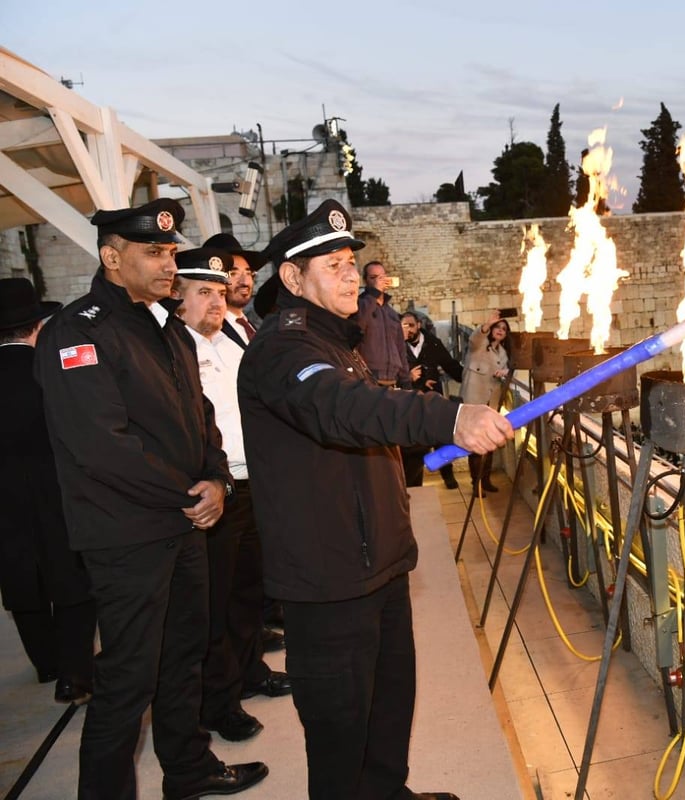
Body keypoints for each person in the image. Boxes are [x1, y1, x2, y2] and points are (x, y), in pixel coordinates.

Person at [237, 199, 513, 800]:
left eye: (350, 263)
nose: (349, 275)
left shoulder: (339, 340)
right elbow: (345, 410)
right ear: (291, 277)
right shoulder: (285, 351)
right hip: (329, 577)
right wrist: (450, 416)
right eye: (332, 264)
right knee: (340, 732)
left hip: (379, 564)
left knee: (388, 708)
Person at [34, 199, 266, 800]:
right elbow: (101, 446)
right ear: (112, 258)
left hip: (187, 521)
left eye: (170, 252)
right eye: (153, 253)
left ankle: (186, 772)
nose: (169, 264)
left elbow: (203, 419)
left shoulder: (168, 328)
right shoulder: (76, 331)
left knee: (185, 658)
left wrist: (218, 479)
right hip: (127, 534)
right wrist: (191, 493)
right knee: (128, 680)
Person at [169, 249, 292, 744]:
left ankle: (247, 673)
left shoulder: (229, 344)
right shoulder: (174, 349)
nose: (216, 303)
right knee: (214, 607)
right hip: (215, 493)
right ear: (178, 297)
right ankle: (218, 703)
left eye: (220, 293)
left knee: (247, 596)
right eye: (204, 293)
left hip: (251, 484)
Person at [0, 278, 95, 704]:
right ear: (37, 326)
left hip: (5, 504)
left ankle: (46, 662)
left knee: (19, 579)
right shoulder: (47, 372)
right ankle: (75, 673)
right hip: (56, 493)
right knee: (71, 579)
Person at [401, 310, 464, 489]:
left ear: (419, 325)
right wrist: (411, 378)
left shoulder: (432, 344)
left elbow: (450, 364)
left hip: (433, 399)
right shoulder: (397, 346)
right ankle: (412, 483)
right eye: (404, 326)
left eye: (411, 325)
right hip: (410, 400)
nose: (408, 330)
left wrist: (470, 378)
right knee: (414, 443)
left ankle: (448, 475)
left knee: (440, 438)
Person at [460, 309, 511, 495]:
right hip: (474, 403)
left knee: (489, 443)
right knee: (475, 445)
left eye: (503, 329)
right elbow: (475, 338)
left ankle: (486, 479)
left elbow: (507, 371)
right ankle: (476, 484)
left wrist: (505, 373)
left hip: (492, 404)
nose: (500, 330)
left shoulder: (503, 353)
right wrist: (487, 324)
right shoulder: (479, 346)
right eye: (497, 327)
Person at [201, 232, 268, 349]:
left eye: (248, 273)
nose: (245, 282)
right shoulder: (209, 331)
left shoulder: (250, 326)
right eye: (233, 273)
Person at [357, 260, 410, 388]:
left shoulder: (391, 313)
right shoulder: (359, 305)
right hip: (367, 379)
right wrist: (374, 294)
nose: (378, 281)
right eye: (373, 277)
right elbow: (357, 325)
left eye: (381, 277)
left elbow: (400, 348)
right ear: (365, 281)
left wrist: (406, 380)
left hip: (392, 379)